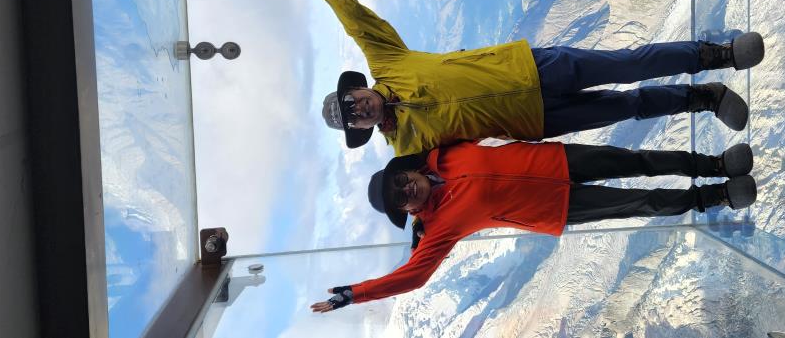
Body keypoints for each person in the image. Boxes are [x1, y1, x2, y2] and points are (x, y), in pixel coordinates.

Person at [270, 0, 765, 156]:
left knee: (626, 65)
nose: (359, 109)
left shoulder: (387, 61)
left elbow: (354, 19)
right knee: (627, 106)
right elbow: (436, 184)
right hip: (533, 121)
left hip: (530, 69)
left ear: (358, 89)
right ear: (361, 129)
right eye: (353, 117)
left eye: (351, 101)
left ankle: (717, 54)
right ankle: (706, 98)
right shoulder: (407, 148)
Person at [308, 140, 758, 312]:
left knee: (636, 160)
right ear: (406, 211)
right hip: (556, 207)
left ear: (405, 171)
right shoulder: (437, 226)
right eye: (400, 199)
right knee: (640, 202)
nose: (406, 190)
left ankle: (714, 164)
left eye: (400, 182)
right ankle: (714, 196)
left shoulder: (442, 153)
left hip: (554, 158)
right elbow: (413, 277)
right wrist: (355, 294)